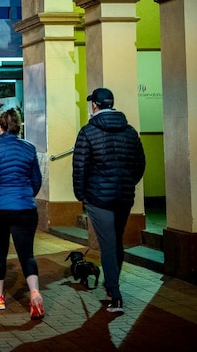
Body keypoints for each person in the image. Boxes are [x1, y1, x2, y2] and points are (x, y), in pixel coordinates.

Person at [72, 87, 146, 313]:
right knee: (116, 242)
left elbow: (80, 166)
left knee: (108, 244)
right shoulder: (130, 131)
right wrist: (127, 183)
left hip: (98, 198)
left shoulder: (88, 132)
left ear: (94, 105)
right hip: (123, 196)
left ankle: (115, 294)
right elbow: (140, 164)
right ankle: (110, 286)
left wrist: (81, 194)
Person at [0, 108, 45, 320]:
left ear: (0, 126)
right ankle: (34, 293)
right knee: (27, 254)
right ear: (18, 125)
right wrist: (24, 194)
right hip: (25, 207)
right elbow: (36, 181)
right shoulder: (29, 148)